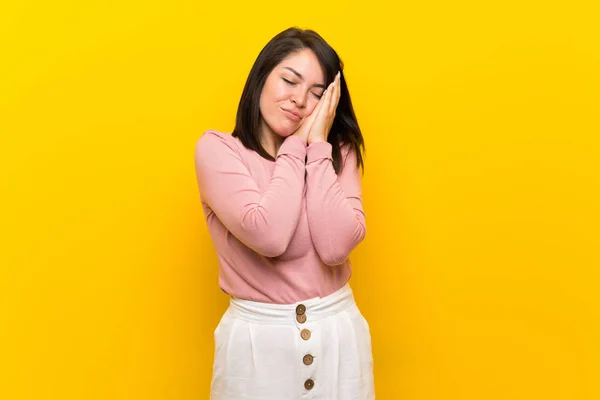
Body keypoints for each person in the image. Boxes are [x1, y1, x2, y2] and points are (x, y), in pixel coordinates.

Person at [194, 27, 374, 400]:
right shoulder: (218, 151)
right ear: (262, 77)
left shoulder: (338, 153)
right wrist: (296, 145)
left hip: (338, 336)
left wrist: (319, 146)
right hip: (257, 346)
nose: (299, 101)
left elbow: (334, 246)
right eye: (289, 81)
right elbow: (269, 235)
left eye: (317, 94)